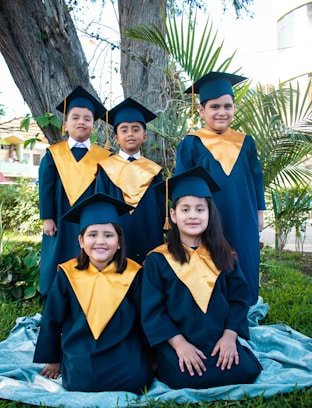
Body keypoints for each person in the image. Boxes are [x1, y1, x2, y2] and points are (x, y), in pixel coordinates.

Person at [141, 167, 262, 389]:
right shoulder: (158, 260)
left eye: (200, 209)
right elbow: (153, 310)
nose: (193, 216)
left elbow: (239, 299)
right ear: (173, 216)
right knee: (185, 377)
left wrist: (229, 337)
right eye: (185, 209)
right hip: (178, 340)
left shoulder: (225, 256)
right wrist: (179, 345)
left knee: (247, 371)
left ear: (209, 214)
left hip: (219, 339)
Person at [33, 193, 154, 393]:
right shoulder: (67, 274)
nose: (100, 241)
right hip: (81, 350)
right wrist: (53, 360)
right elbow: (52, 318)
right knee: (82, 382)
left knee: (137, 380)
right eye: (92, 235)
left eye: (108, 235)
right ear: (81, 241)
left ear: (119, 241)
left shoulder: (133, 274)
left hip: (123, 348)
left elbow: (145, 318)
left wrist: (151, 355)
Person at [175, 72, 266, 305]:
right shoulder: (192, 142)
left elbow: (256, 178)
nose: (222, 112)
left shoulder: (246, 142)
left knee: (245, 256)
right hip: (206, 215)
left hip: (242, 213)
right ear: (201, 111)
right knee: (210, 258)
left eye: (228, 106)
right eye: (214, 107)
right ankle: (212, 308)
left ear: (235, 108)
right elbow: (182, 182)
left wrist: (259, 213)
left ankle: (242, 309)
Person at [38, 86, 110, 303]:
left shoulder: (103, 156)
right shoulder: (53, 154)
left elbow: (104, 190)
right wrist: (47, 217)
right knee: (56, 257)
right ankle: (54, 300)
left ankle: (85, 299)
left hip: (89, 220)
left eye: (87, 118)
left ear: (93, 125)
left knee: (87, 256)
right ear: (65, 124)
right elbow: (46, 188)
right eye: (75, 117)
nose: (81, 122)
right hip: (59, 218)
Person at [95, 97, 165, 264]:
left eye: (136, 129)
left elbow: (160, 208)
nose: (130, 134)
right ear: (117, 138)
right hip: (116, 236)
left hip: (150, 233)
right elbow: (100, 205)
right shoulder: (106, 169)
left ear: (145, 136)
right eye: (124, 130)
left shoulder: (154, 170)